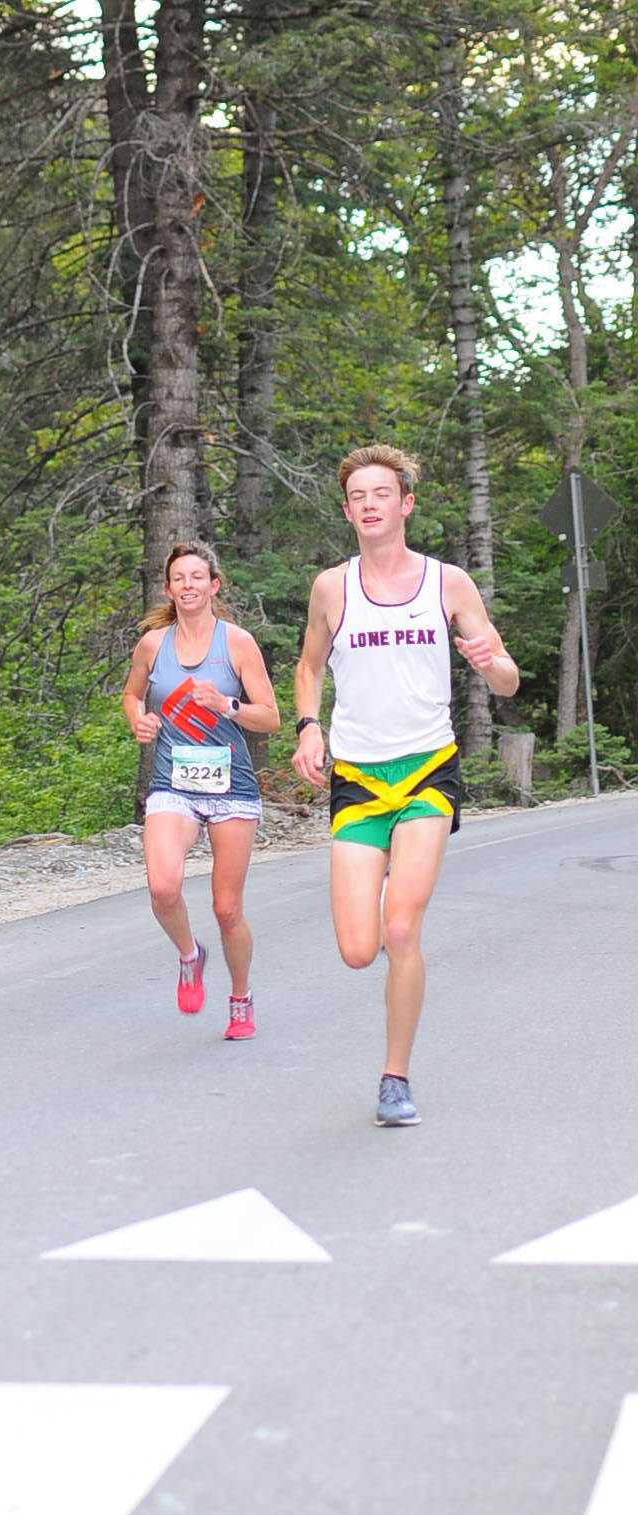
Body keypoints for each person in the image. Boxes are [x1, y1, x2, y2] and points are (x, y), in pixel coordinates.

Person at [292, 442, 519, 1125]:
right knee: (358, 950)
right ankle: (384, 874)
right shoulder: (332, 588)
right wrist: (309, 726)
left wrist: (489, 662)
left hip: (426, 769)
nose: (370, 505)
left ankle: (395, 1078)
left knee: (399, 928)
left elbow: (507, 680)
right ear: (347, 511)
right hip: (359, 779)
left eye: (381, 494)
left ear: (406, 504)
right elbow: (309, 667)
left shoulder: (448, 584)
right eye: (358, 497)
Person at [123, 540, 281, 1038]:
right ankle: (190, 956)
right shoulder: (153, 645)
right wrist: (138, 720)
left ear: (214, 585)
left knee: (227, 908)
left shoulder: (238, 644)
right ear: (168, 589)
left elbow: (271, 717)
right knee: (162, 887)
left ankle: (241, 998)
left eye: (197, 577)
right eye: (179, 578)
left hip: (231, 787)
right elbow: (131, 694)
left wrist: (227, 706)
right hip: (174, 783)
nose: (187, 585)